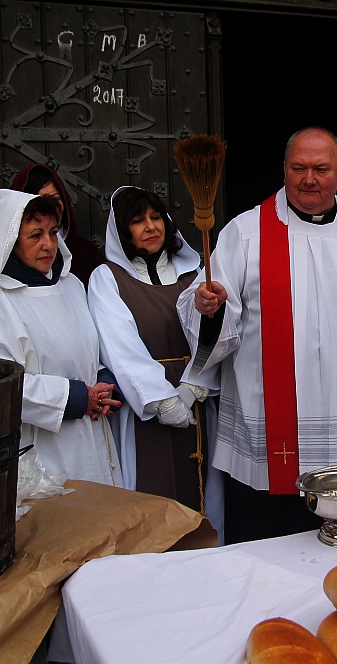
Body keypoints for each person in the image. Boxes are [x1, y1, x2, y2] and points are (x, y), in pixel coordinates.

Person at [177, 127, 337, 544]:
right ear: (284, 170)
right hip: (268, 423)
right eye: (299, 168)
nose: (309, 179)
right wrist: (209, 308)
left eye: (321, 169)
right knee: (264, 549)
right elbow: (213, 303)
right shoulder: (245, 231)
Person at [0, 188, 123, 487]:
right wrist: (76, 397)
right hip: (39, 451)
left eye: (53, 232)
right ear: (7, 244)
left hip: (91, 438)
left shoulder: (70, 285)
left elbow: (86, 353)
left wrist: (103, 382)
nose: (49, 244)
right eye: (35, 235)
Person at [87, 185, 224, 539]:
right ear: (122, 231)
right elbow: (119, 345)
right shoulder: (108, 279)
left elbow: (222, 332)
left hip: (197, 398)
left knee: (203, 497)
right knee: (149, 497)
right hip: (146, 406)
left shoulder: (197, 273)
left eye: (156, 217)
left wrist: (197, 382)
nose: (151, 226)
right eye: (137, 221)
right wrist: (161, 399)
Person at [10, 162, 105, 287]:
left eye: (55, 199)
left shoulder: (87, 254)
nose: (49, 207)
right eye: (41, 200)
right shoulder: (8, 264)